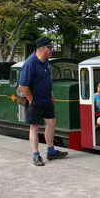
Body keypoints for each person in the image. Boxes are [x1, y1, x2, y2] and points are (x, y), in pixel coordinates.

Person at [19, 36, 68, 166]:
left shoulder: (46, 62)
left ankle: (51, 151)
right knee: (34, 126)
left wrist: (51, 94)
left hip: (46, 98)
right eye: (50, 48)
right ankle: (36, 155)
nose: (52, 50)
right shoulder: (30, 63)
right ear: (42, 48)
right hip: (35, 100)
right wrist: (31, 100)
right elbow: (24, 84)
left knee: (51, 122)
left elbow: (46, 79)